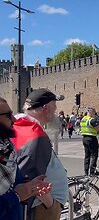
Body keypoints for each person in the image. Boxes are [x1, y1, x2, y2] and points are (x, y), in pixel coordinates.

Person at [11, 89, 69, 220]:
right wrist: (49, 203)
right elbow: (29, 177)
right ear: (45, 108)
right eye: (54, 106)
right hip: (39, 208)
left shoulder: (19, 125)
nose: (56, 110)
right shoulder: (35, 135)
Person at [0, 97, 53, 220]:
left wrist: (31, 186)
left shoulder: (7, 149)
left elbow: (15, 184)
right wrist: (17, 196)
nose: (13, 119)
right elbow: (16, 194)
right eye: (8, 115)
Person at [80, 107, 99, 176]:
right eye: (94, 112)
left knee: (87, 155)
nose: (95, 114)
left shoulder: (83, 119)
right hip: (92, 138)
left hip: (84, 138)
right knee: (94, 155)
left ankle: (86, 172)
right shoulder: (91, 120)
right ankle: (92, 172)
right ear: (90, 112)